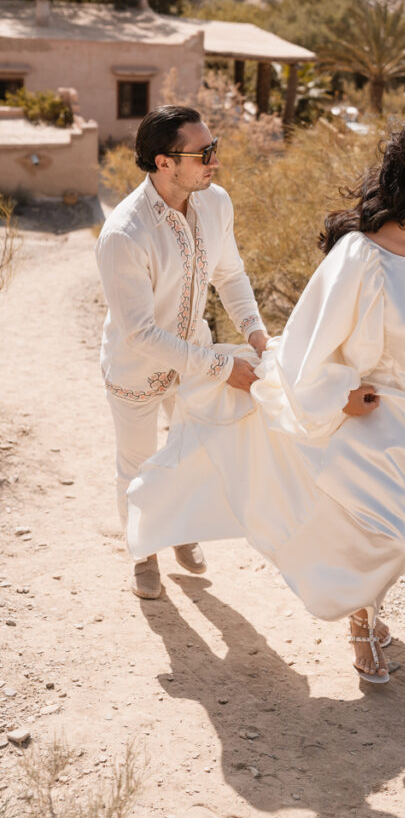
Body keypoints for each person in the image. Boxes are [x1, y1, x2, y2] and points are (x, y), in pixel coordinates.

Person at [127, 112, 405, 682]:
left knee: (385, 527)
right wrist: (340, 394)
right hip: (370, 412)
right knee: (390, 536)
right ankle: (362, 623)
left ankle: (368, 611)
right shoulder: (363, 255)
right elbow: (307, 345)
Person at [96, 105, 268, 600]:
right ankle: (143, 553)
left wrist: (256, 334)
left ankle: (178, 528)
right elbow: (141, 334)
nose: (214, 161)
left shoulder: (215, 203)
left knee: (190, 452)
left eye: (214, 148)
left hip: (193, 363)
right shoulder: (124, 235)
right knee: (137, 464)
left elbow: (230, 274)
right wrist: (222, 365)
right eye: (204, 153)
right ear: (163, 161)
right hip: (137, 370)